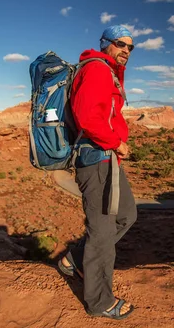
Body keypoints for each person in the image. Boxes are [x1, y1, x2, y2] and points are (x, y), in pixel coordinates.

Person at [58, 25, 137, 320]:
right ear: (106, 44)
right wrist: (116, 142)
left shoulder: (110, 71)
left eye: (131, 47)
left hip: (108, 159)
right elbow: (88, 116)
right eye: (120, 44)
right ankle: (99, 302)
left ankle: (74, 259)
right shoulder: (97, 69)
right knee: (102, 233)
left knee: (127, 214)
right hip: (96, 159)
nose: (126, 50)